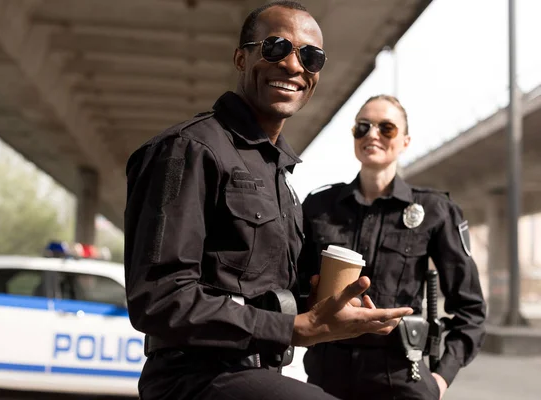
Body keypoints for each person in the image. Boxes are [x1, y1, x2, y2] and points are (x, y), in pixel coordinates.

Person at [124, 2, 413, 399]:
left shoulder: (278, 174)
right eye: (277, 47)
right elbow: (158, 299)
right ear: (242, 57)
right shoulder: (188, 150)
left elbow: (259, 292)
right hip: (193, 379)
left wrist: (326, 311)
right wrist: (291, 328)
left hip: (259, 374)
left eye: (311, 57)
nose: (294, 66)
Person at [299, 94, 487, 400]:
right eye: (363, 127)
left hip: (401, 376)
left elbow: (471, 310)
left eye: (386, 128)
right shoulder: (319, 206)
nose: (372, 134)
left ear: (405, 141)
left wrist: (440, 379)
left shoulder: (436, 210)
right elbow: (294, 286)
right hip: (326, 376)